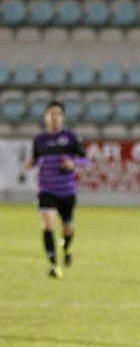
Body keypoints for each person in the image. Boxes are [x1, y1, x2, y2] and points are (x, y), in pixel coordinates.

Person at [25, 101, 87, 278]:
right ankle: (53, 264)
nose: (54, 117)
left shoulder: (70, 137)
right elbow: (36, 159)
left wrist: (73, 164)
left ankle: (66, 248)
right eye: (51, 113)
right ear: (46, 117)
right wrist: (31, 163)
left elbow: (84, 159)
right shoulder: (39, 140)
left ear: (63, 117)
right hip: (46, 189)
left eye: (58, 113)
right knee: (48, 224)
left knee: (67, 227)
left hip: (66, 190)